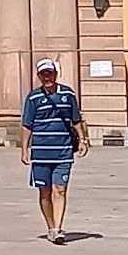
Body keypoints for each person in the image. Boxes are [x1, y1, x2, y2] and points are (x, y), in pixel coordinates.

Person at [21, 58, 89, 244]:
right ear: (38, 76)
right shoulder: (33, 98)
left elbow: (76, 119)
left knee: (60, 189)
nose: (47, 77)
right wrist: (24, 150)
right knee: (45, 192)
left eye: (49, 73)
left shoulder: (68, 94)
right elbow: (27, 125)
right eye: (43, 74)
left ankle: (58, 228)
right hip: (41, 152)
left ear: (56, 74)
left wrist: (83, 140)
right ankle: (50, 226)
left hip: (63, 151)